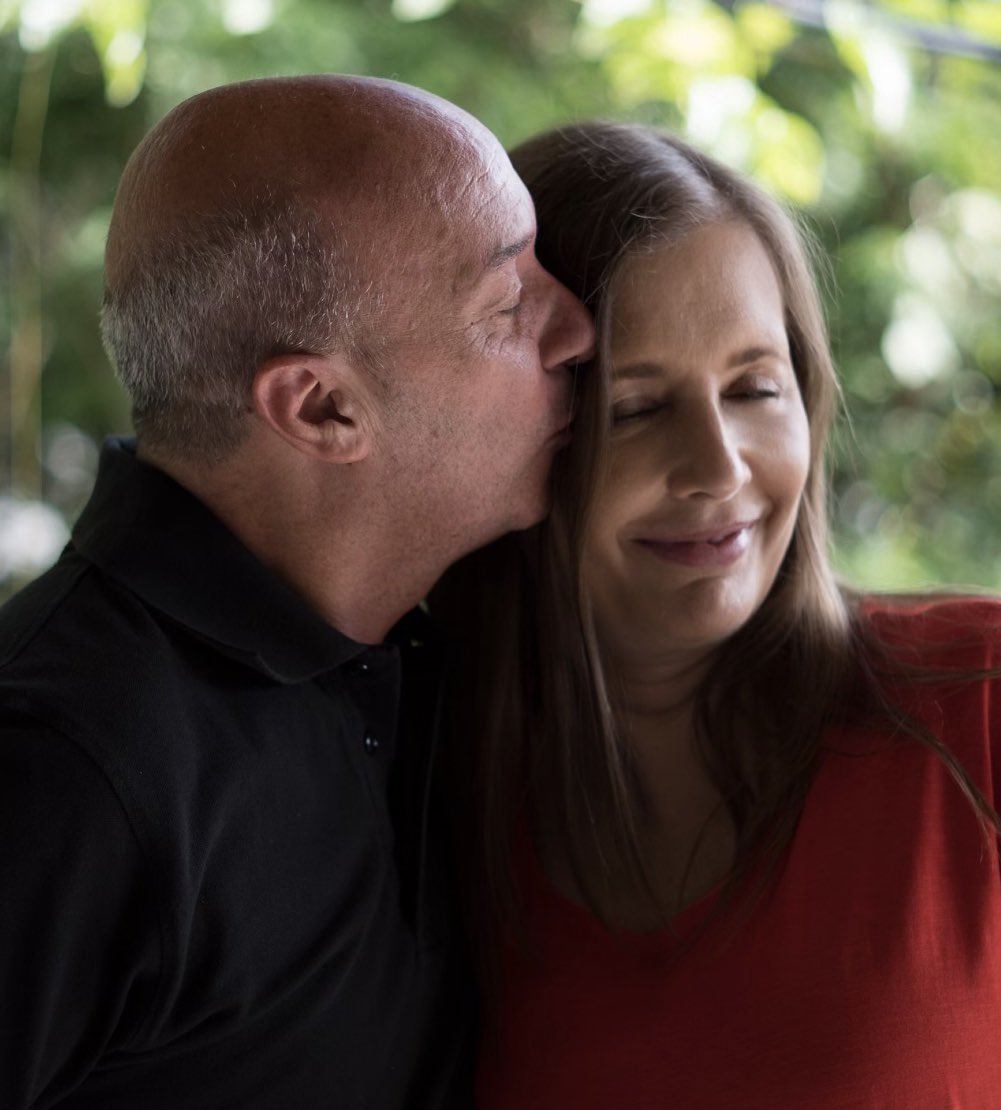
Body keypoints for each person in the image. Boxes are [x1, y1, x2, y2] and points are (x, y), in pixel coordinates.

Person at [0, 76, 593, 1109]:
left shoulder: (422, 658)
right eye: (507, 303)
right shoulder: (57, 768)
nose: (577, 327)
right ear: (321, 409)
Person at [435, 120, 1001, 1108]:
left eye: (752, 388)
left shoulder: (980, 707)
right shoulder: (423, 802)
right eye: (638, 406)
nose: (717, 468)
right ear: (513, 436)